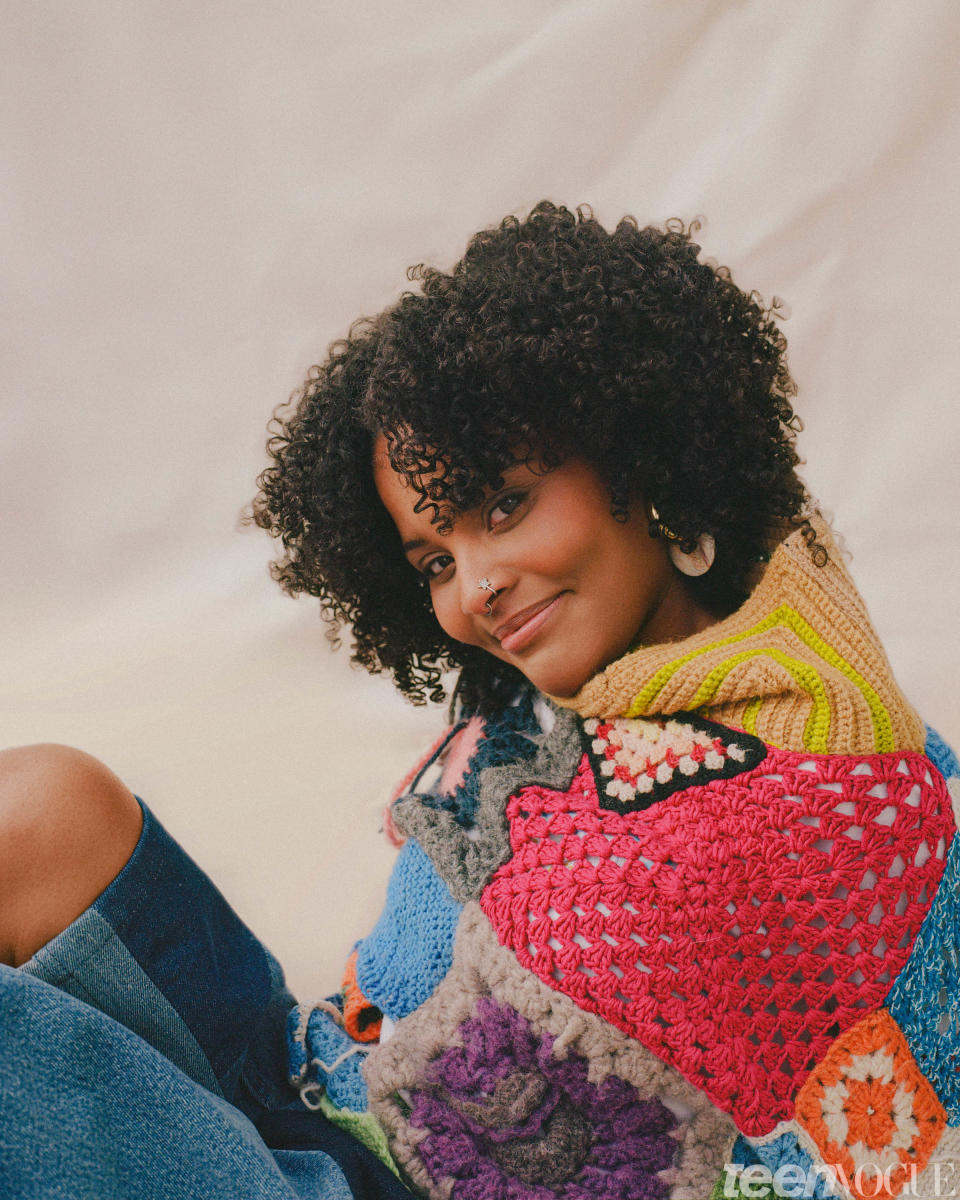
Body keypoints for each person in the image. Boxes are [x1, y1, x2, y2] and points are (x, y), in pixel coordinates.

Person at [1, 202, 956, 1199]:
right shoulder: (567, 718)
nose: (476, 588)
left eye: (504, 504)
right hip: (320, 1092)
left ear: (641, 450)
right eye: (435, 559)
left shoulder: (842, 785)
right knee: (46, 809)